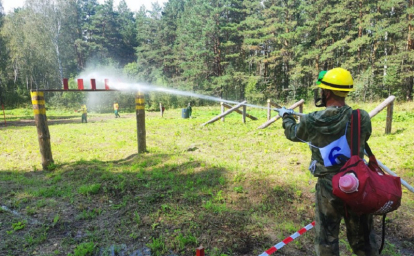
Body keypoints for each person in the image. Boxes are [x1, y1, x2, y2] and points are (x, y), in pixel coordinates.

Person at [278, 67, 378, 256]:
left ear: (327, 92)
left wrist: (286, 117)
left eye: (322, 89)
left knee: (326, 239)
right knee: (364, 240)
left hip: (328, 187)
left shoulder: (311, 120)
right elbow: (365, 137)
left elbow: (293, 133)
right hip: (358, 184)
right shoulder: (361, 117)